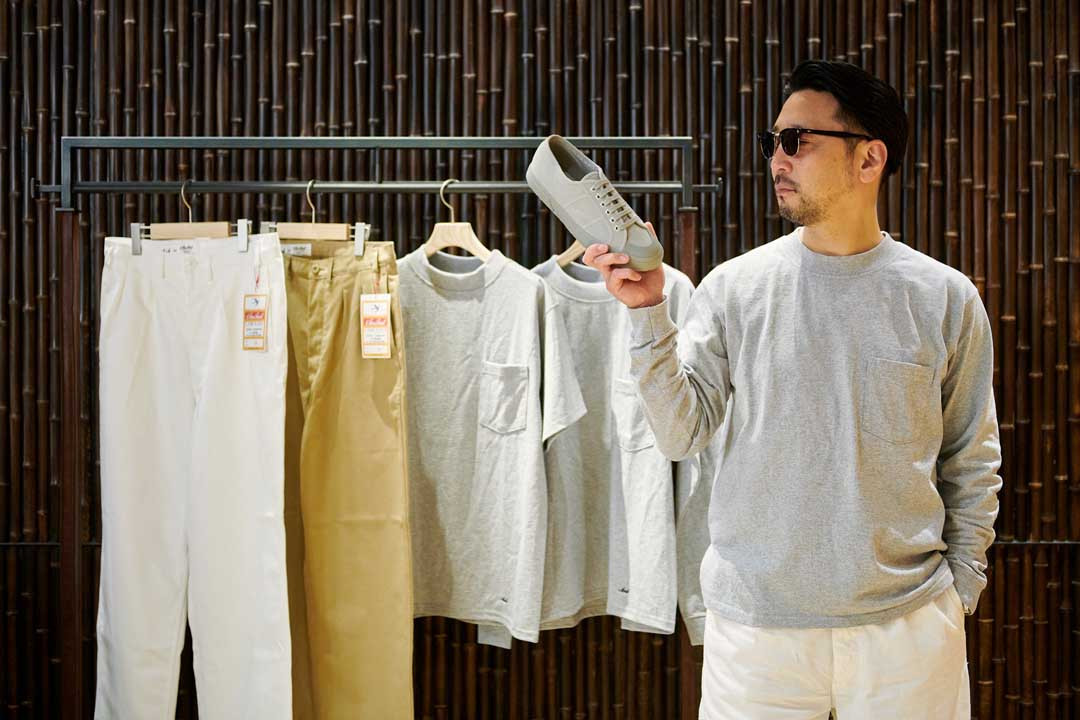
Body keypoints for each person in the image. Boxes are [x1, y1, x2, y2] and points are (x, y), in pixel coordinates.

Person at [584, 59, 1002, 719]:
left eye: (796, 140)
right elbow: (680, 434)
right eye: (772, 141)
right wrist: (646, 313)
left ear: (869, 159)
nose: (777, 159)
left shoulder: (942, 298)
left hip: (907, 627)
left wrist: (960, 591)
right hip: (756, 632)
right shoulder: (734, 288)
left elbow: (970, 459)